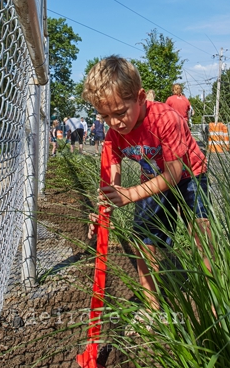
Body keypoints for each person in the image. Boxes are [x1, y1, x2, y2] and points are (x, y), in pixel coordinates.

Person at [83, 56, 212, 311]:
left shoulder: (166, 119)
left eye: (120, 113)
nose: (115, 123)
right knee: (144, 240)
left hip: (189, 176)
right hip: (152, 180)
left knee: (201, 232)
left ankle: (210, 297)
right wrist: (107, 203)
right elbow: (112, 171)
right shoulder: (113, 134)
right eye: (105, 116)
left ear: (141, 97)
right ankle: (152, 308)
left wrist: (130, 195)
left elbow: (174, 174)